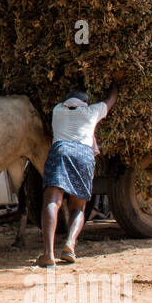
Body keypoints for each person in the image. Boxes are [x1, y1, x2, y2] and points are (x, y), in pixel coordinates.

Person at [38, 79, 121, 266]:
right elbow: (111, 100)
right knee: (78, 207)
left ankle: (48, 253)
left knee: (52, 201)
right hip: (84, 155)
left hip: (61, 152)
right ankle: (70, 244)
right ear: (85, 103)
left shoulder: (57, 111)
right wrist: (115, 83)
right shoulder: (92, 112)